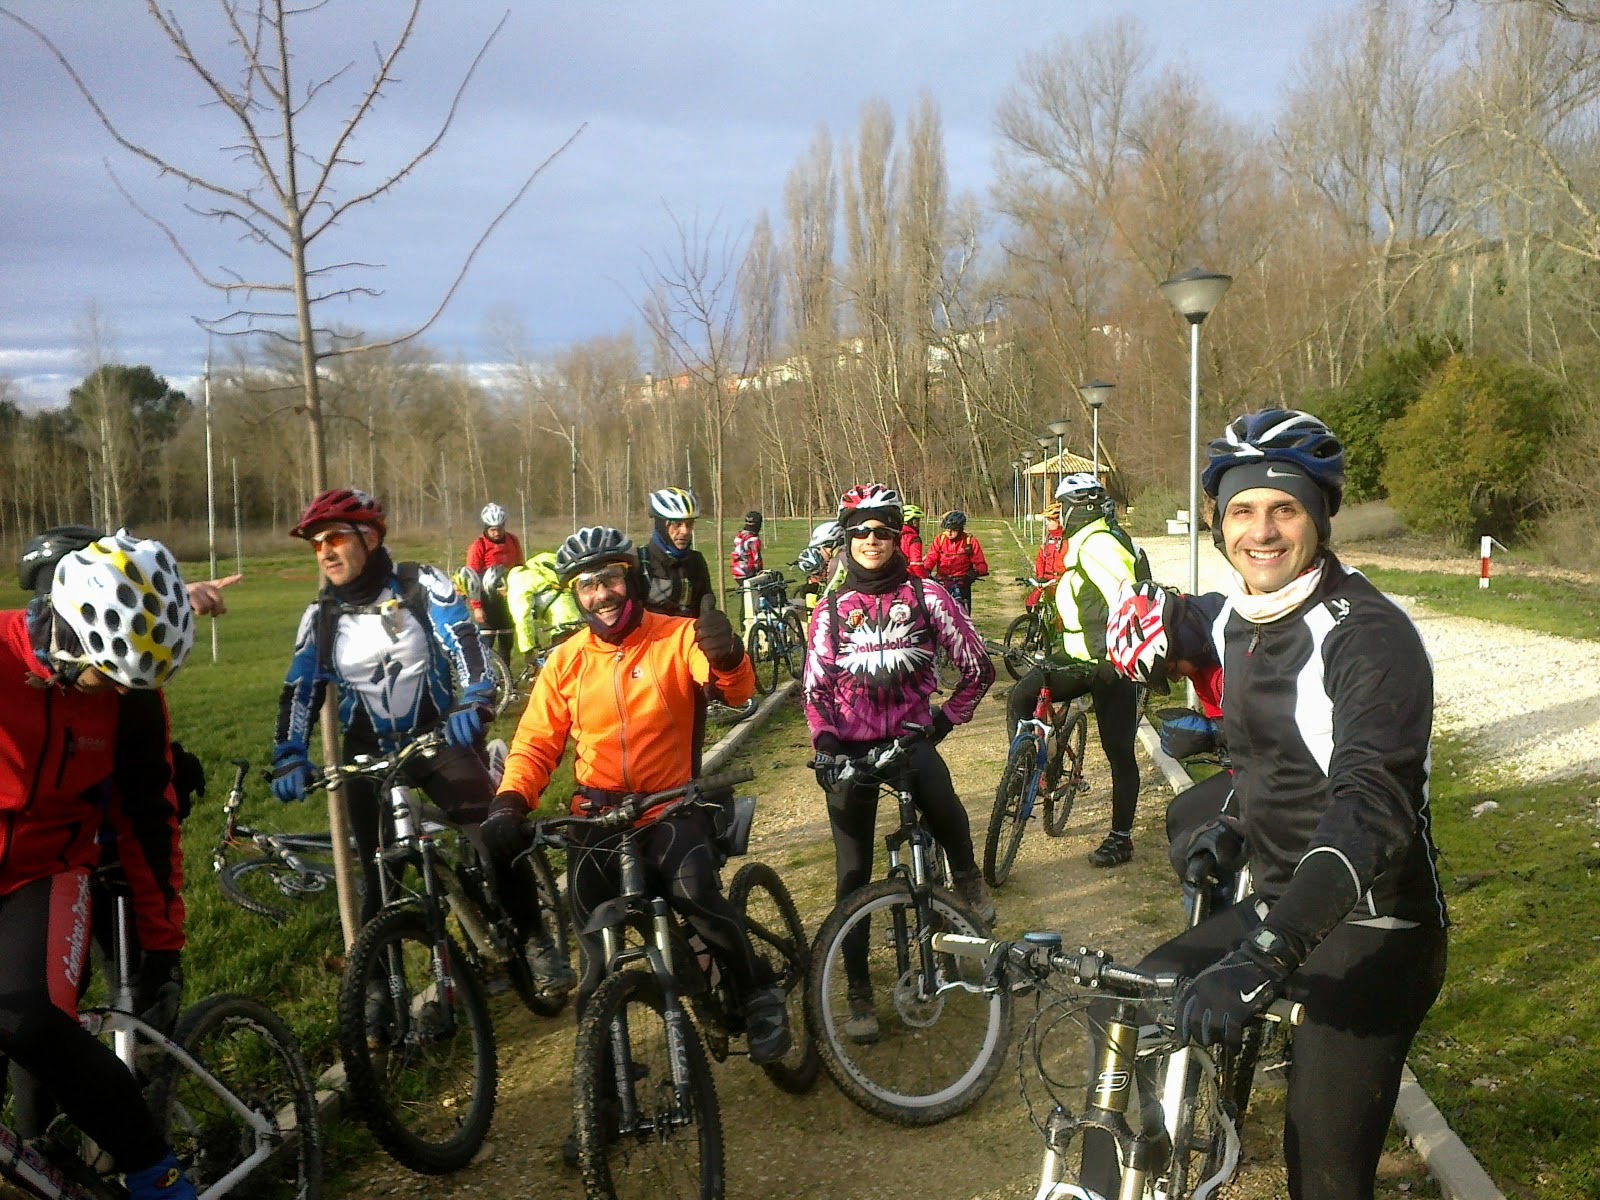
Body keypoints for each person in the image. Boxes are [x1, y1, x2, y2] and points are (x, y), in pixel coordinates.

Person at [1103, 409, 1447, 1200]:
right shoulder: (1244, 621)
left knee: (1321, 1177)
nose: (1262, 531)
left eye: (1284, 508)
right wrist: (1231, 824)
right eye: (1242, 510)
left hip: (1375, 922)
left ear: (1319, 519)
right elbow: (1275, 759)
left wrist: (1267, 954)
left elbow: (1368, 806)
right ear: (1220, 523)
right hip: (1282, 905)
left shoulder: (1367, 636)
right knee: (1131, 1000)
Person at [486, 525, 792, 1073]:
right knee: (595, 956)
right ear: (575, 596)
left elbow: (736, 693)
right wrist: (511, 799)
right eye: (585, 586)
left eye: (609, 579)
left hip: (669, 807)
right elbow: (536, 742)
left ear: (631, 579)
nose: (600, 594)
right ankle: (601, 1085)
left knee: (698, 899)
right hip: (598, 817)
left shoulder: (676, 638)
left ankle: (759, 992)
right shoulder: (566, 662)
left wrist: (727, 658)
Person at [268, 488, 571, 991]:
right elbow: (301, 690)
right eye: (316, 544)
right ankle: (381, 996)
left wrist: (474, 698)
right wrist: (288, 755)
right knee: (379, 878)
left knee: (495, 832)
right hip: (367, 753)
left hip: (437, 737)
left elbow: (464, 644)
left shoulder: (419, 584)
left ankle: (536, 939)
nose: (324, 552)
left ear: (368, 538)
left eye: (335, 538)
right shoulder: (320, 616)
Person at [0, 532, 199, 1200]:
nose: (115, 692)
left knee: (29, 1019)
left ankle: (155, 1171)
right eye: (103, 677)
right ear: (65, 637)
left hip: (49, 871)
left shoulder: (131, 695)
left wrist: (163, 943)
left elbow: (148, 818)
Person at [803, 484, 997, 1043]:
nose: (871, 540)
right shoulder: (831, 612)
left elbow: (978, 669)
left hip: (911, 742)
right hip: (851, 751)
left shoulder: (927, 595)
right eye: (860, 530)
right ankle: (860, 989)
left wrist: (941, 723)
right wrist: (827, 744)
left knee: (945, 808)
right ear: (846, 538)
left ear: (897, 537)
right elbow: (815, 692)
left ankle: (966, 882)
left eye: (883, 531)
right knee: (852, 874)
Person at [1006, 472, 1144, 867]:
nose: (1059, 515)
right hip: (1079, 658)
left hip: (1109, 665)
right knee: (1023, 694)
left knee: (1119, 753)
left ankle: (1121, 838)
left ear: (1075, 508)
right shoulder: (1083, 543)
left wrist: (1121, 651)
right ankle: (1029, 767)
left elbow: (1128, 592)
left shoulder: (1098, 542)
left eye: (1061, 507)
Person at [640, 486, 713, 617]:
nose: (685, 531)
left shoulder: (695, 561)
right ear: (661, 526)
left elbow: (705, 609)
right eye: (677, 524)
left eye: (689, 524)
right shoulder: (641, 562)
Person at [466, 502, 523, 666]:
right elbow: (472, 577)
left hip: (508, 599)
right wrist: (477, 606)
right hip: (486, 599)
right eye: (492, 529)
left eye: (499, 528)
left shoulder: (513, 540)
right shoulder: (479, 546)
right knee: (487, 642)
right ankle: (485, 677)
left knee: (507, 640)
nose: (497, 533)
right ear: (486, 528)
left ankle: (506, 679)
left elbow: (520, 567)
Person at [922, 510, 988, 612]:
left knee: (963, 612)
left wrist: (974, 572)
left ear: (960, 529)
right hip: (942, 581)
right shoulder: (940, 539)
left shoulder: (969, 541)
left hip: (962, 582)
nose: (949, 533)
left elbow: (981, 564)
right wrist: (926, 570)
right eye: (947, 530)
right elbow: (931, 557)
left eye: (953, 530)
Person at [730, 509, 765, 635]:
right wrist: (760, 571)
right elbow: (756, 559)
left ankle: (744, 625)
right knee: (750, 599)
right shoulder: (754, 539)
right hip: (747, 572)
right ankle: (747, 626)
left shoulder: (739, 535)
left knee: (744, 597)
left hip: (736, 571)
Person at [898, 503, 928, 578]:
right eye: (916, 521)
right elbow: (916, 563)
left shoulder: (894, 535)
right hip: (909, 576)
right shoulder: (914, 538)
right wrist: (924, 578)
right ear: (910, 522)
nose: (918, 525)